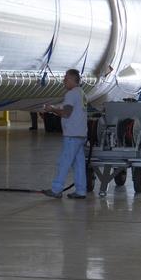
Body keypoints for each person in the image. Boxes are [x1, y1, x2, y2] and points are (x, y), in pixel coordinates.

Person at [41, 69, 88, 200]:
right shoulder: (82, 93)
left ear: (73, 80)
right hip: (81, 134)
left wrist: (52, 110)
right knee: (79, 164)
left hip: (72, 135)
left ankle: (56, 189)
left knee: (64, 162)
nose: (64, 81)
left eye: (66, 79)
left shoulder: (71, 94)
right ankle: (81, 190)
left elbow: (66, 113)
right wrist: (56, 107)